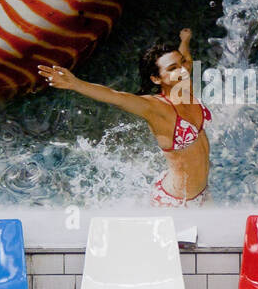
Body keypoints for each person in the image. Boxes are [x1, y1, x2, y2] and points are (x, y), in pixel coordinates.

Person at [37, 29, 212, 207]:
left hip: (203, 193)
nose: (182, 70)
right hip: (176, 203)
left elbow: (187, 60)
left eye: (181, 64)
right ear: (156, 79)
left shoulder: (184, 87)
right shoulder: (155, 108)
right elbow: (116, 96)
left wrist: (185, 40)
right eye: (172, 68)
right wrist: (75, 84)